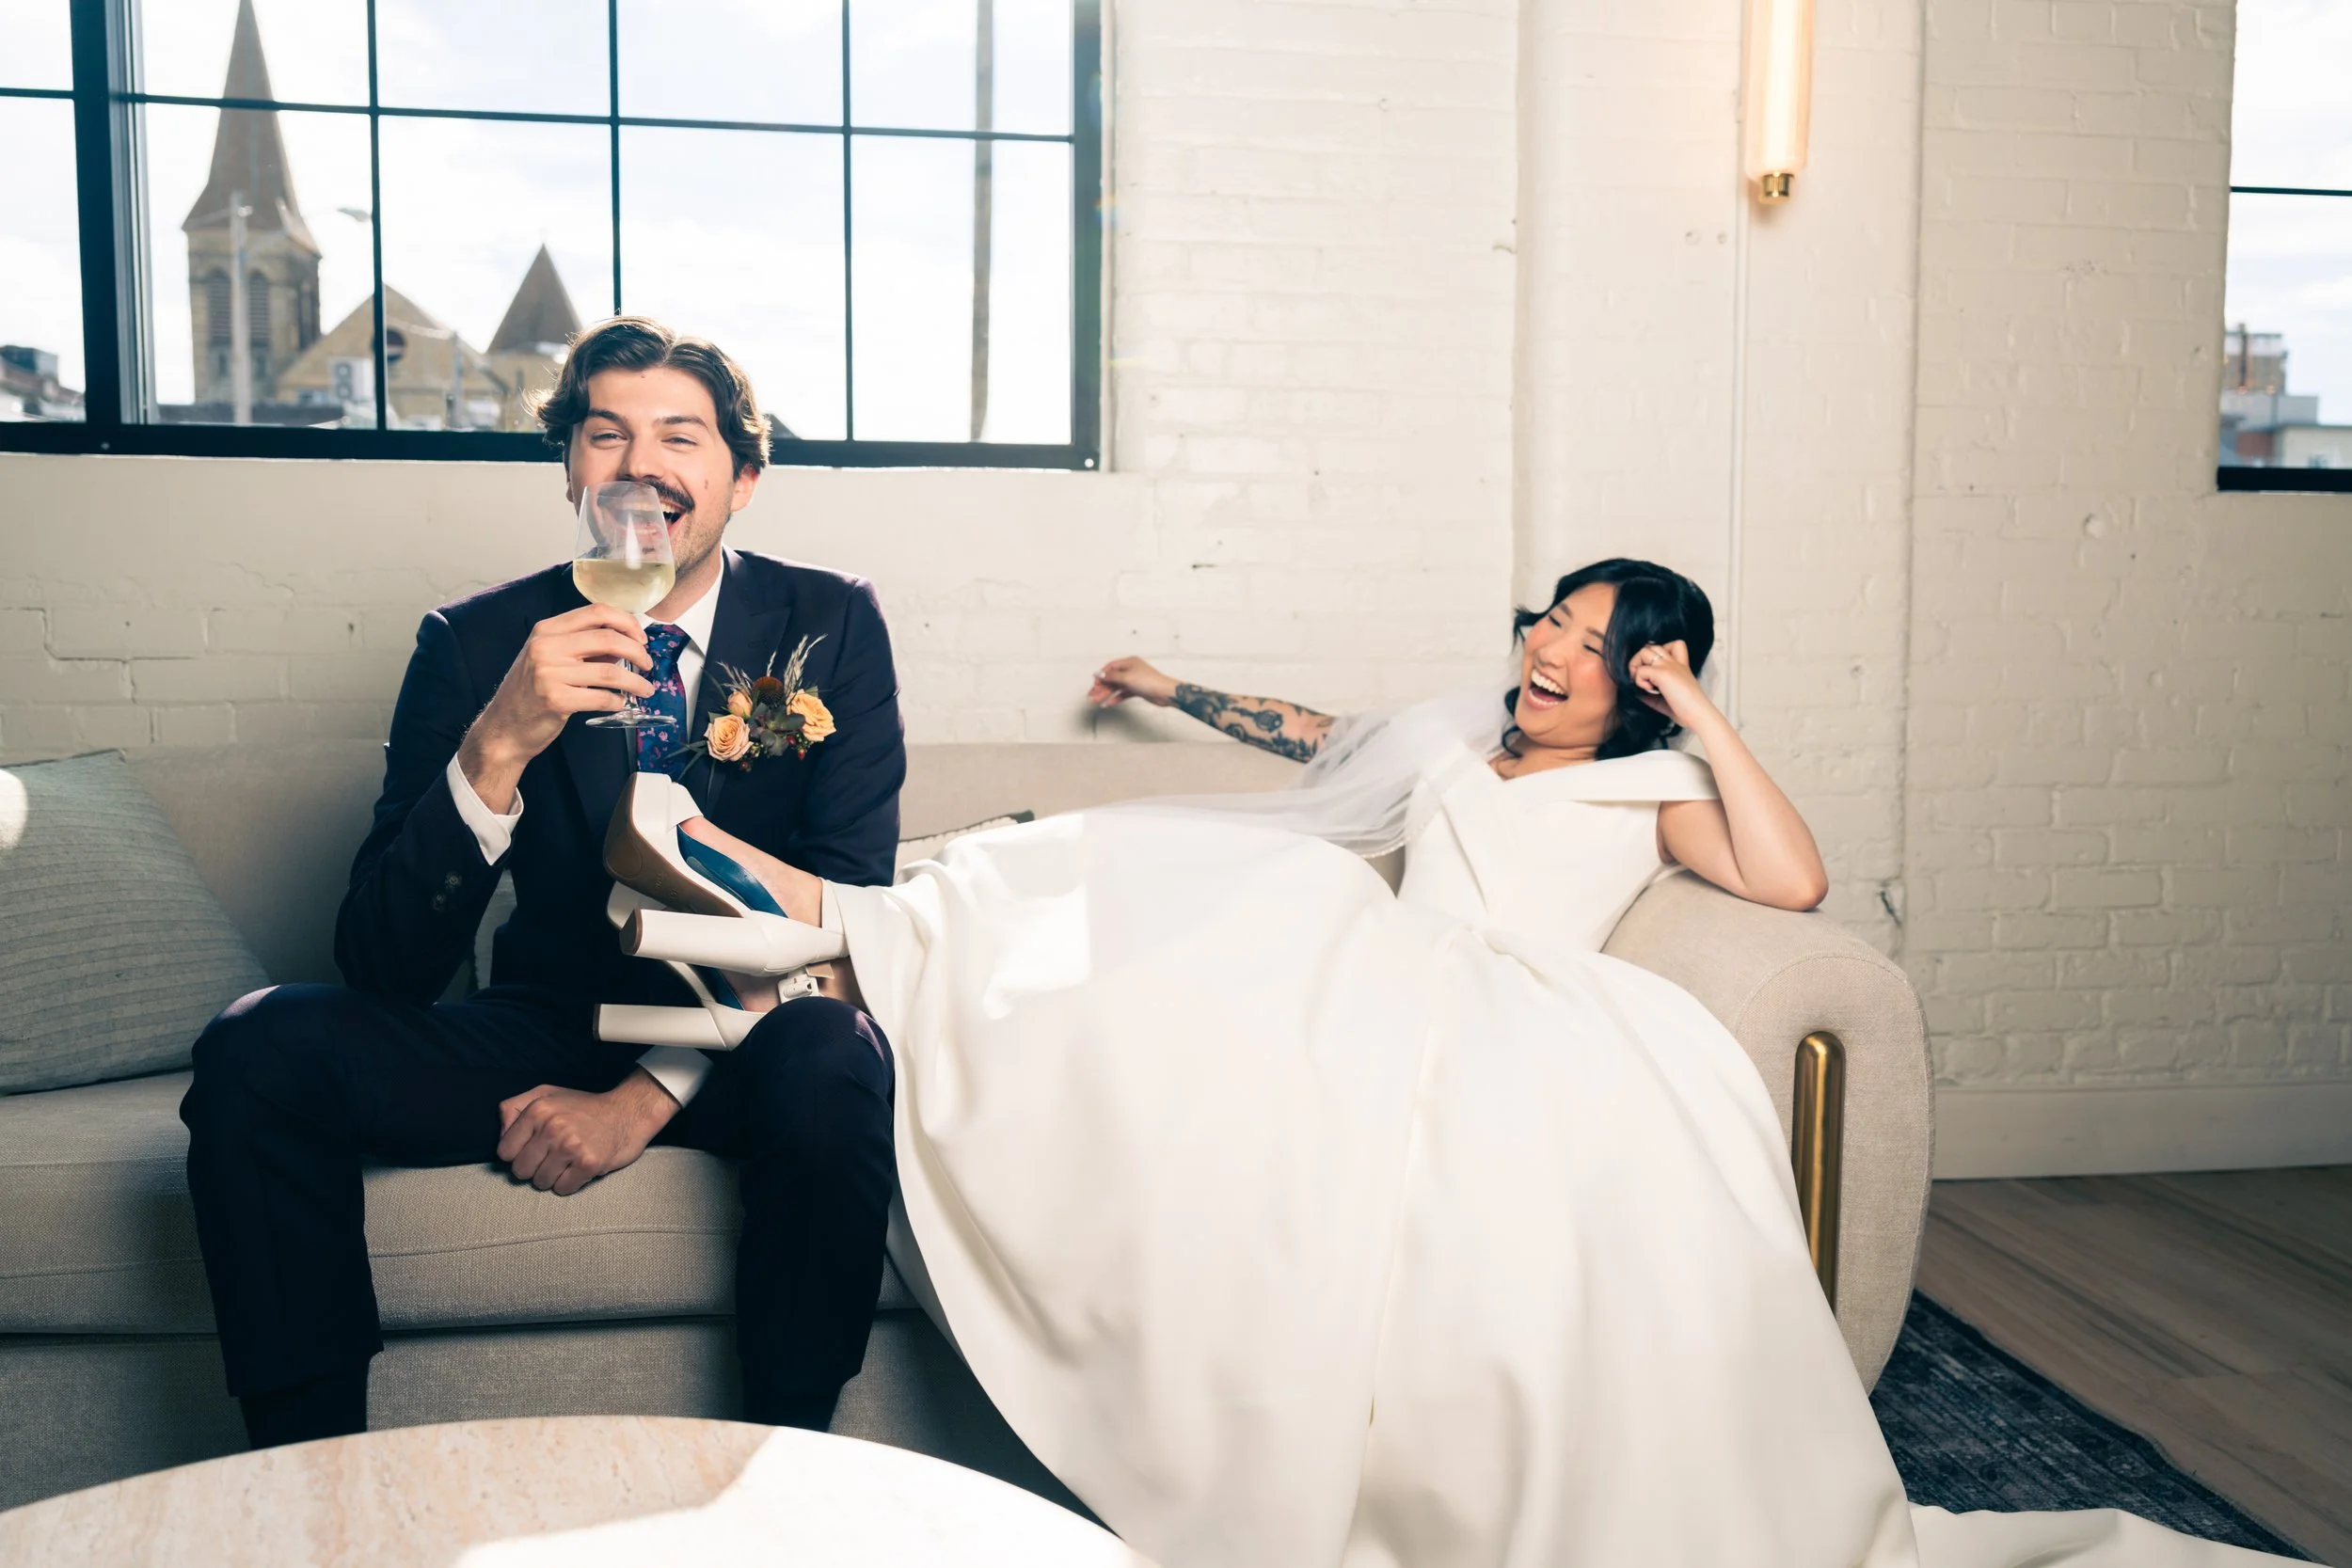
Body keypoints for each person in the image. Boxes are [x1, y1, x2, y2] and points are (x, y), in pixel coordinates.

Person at [596, 558, 2294, 1568]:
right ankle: (833, 917)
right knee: (1214, 873)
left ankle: (824, 923)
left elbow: (1794, 885)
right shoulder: (1450, 742)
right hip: (1382, 972)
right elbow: (1309, 743)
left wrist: (1695, 710)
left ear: (1637, 673)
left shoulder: (1655, 783)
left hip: (1516, 1007)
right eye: (1544, 619)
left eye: (1587, 636)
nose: (1545, 648)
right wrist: (1169, 683)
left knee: (1263, 895)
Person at [179, 317, 907, 1449]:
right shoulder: (474, 642)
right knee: (259, 1042)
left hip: (753, 1040)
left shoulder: (831, 623)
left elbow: (849, 914)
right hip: (551, 1016)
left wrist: (640, 1101)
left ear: (742, 477)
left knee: (836, 1056)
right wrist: (498, 743)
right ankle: (307, 1477)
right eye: (604, 433)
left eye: (681, 435)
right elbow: (382, 964)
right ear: (570, 465)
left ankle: (785, 1467)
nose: (640, 465)